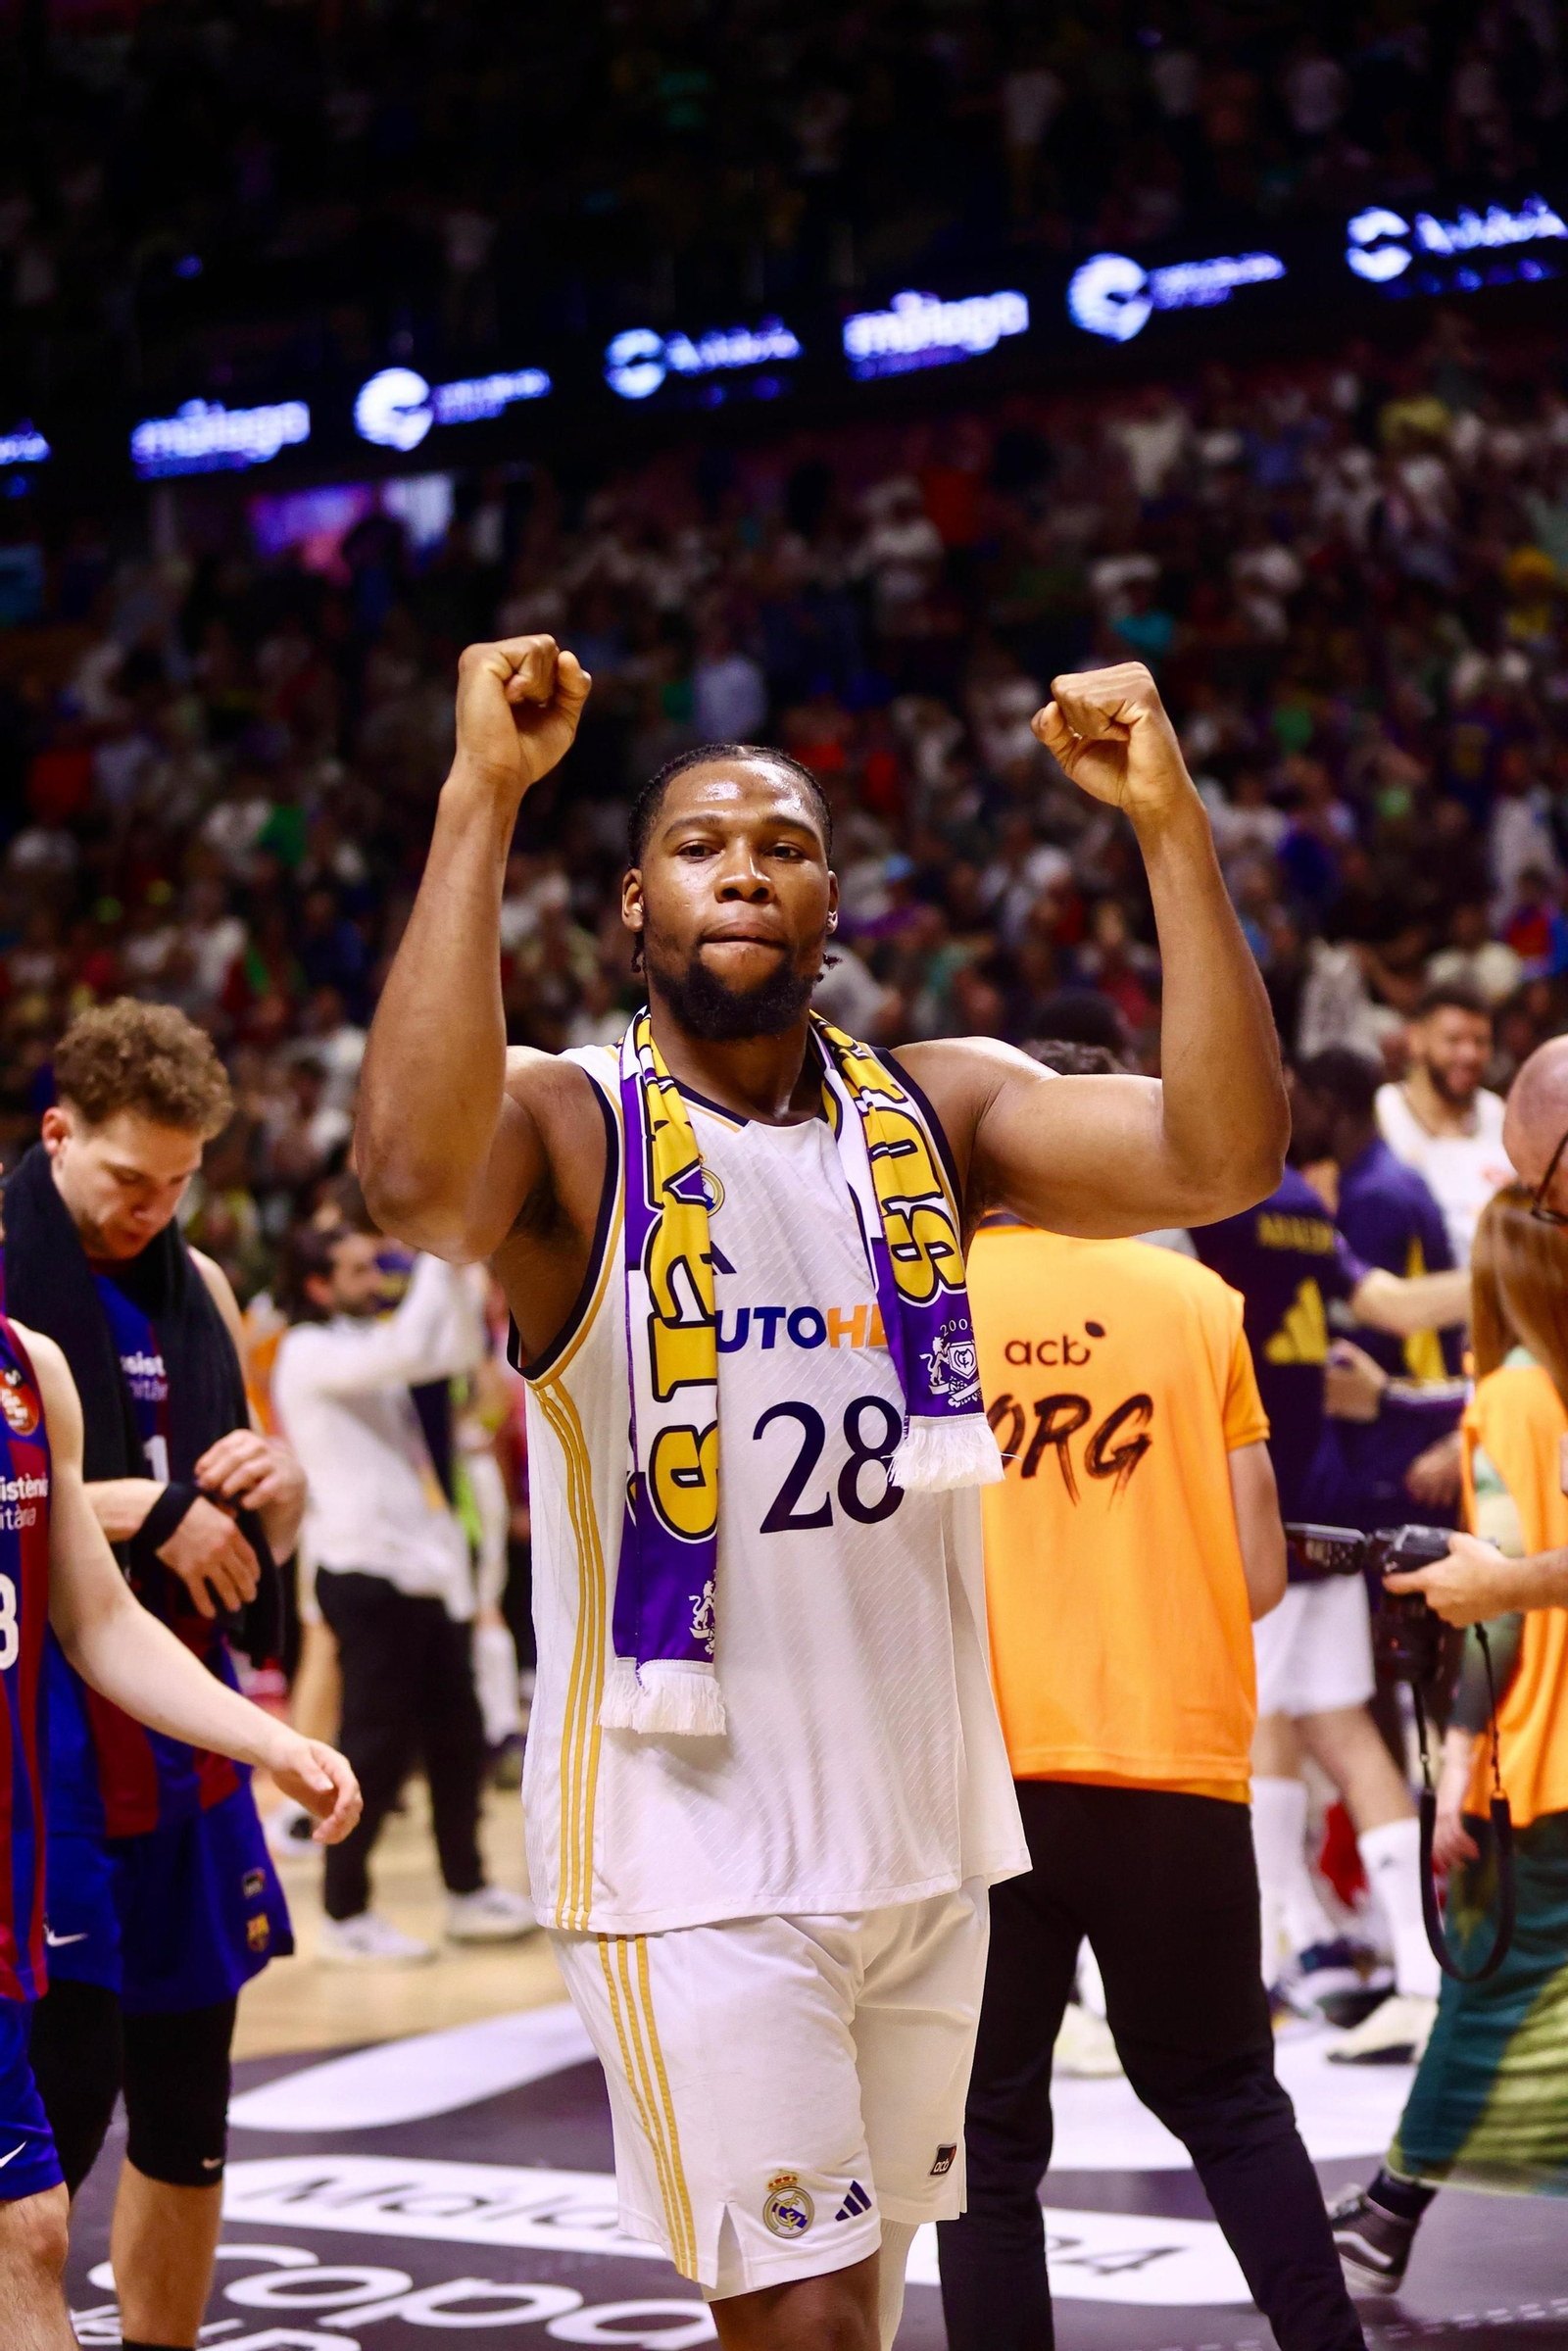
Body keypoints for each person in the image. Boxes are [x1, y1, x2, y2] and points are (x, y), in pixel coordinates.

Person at [354, 639, 1289, 2350]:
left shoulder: (940, 1109)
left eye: (782, 844)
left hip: (923, 1834)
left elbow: (1225, 1156)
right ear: (633, 909)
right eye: (701, 843)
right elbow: (412, 1179)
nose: (743, 865)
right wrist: (481, 793)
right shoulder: (576, 1125)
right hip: (687, 1840)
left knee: (849, 2311)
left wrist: (1170, 823)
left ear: (833, 905)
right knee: (797, 2322)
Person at [939, 1039, 1364, 2351]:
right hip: (1173, 1763)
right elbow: (1251, 1576)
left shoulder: (927, 1297)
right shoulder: (1197, 1305)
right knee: (1233, 2098)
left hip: (981, 1779)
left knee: (987, 2147)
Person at [0, 1000, 309, 2351]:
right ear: (54, 1134)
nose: (154, 1208)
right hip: (47, 1741)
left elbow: (229, 1523)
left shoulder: (204, 1288)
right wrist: (160, 1501)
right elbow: (74, 1510)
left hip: (181, 1720)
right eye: (130, 1178)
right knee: (52, 2125)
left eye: (181, 1183)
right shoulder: (17, 1293)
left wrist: (277, 1493)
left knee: (187, 2109)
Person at [0, 1301, 359, 2351]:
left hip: (17, 1889)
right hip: (51, 1845)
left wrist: (271, 1742)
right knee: (27, 2226)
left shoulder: (33, 1366)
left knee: (31, 2229)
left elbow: (102, 1618)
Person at [1331, 1188, 1568, 2293]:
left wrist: (1460, 1771)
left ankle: (1387, 2213)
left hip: (1543, 1757)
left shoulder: (1513, 1393)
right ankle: (1390, 2202)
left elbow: (1503, 1604)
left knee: (1486, 1989)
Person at [1192, 1118, 1470, 2062]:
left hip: (1248, 1492)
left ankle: (1276, 1961)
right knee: (1319, 1722)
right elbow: (1391, 1304)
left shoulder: (1204, 1204)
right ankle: (1331, 1956)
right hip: (1324, 1498)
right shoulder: (1307, 1205)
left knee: (1261, 1725)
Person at [270, 1216, 536, 1959]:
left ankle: (467, 1890)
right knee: (374, 1747)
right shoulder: (307, 1350)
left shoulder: (359, 1345)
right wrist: (438, 1239)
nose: (376, 1278)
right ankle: (345, 1910)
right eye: (358, 1269)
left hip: (421, 1567)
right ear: (319, 1283)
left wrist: (453, 1266)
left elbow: (446, 1349)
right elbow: (417, 1346)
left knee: (457, 1744)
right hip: (364, 1567)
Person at [1375, 984, 1513, 1268]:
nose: (1469, 1055)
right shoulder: (1380, 1112)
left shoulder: (1500, 1114)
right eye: (1453, 1040)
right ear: (1415, 1040)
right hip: (1416, 1288)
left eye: (1480, 1042)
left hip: (1501, 1284)